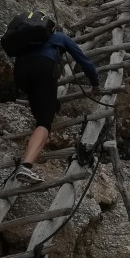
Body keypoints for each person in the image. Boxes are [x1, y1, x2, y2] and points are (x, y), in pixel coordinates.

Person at [11, 22, 101, 184]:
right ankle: (26, 166)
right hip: (43, 68)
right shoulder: (60, 37)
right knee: (44, 122)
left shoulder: (27, 44)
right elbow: (84, 61)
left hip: (20, 72)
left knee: (43, 108)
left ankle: (49, 109)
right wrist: (95, 83)